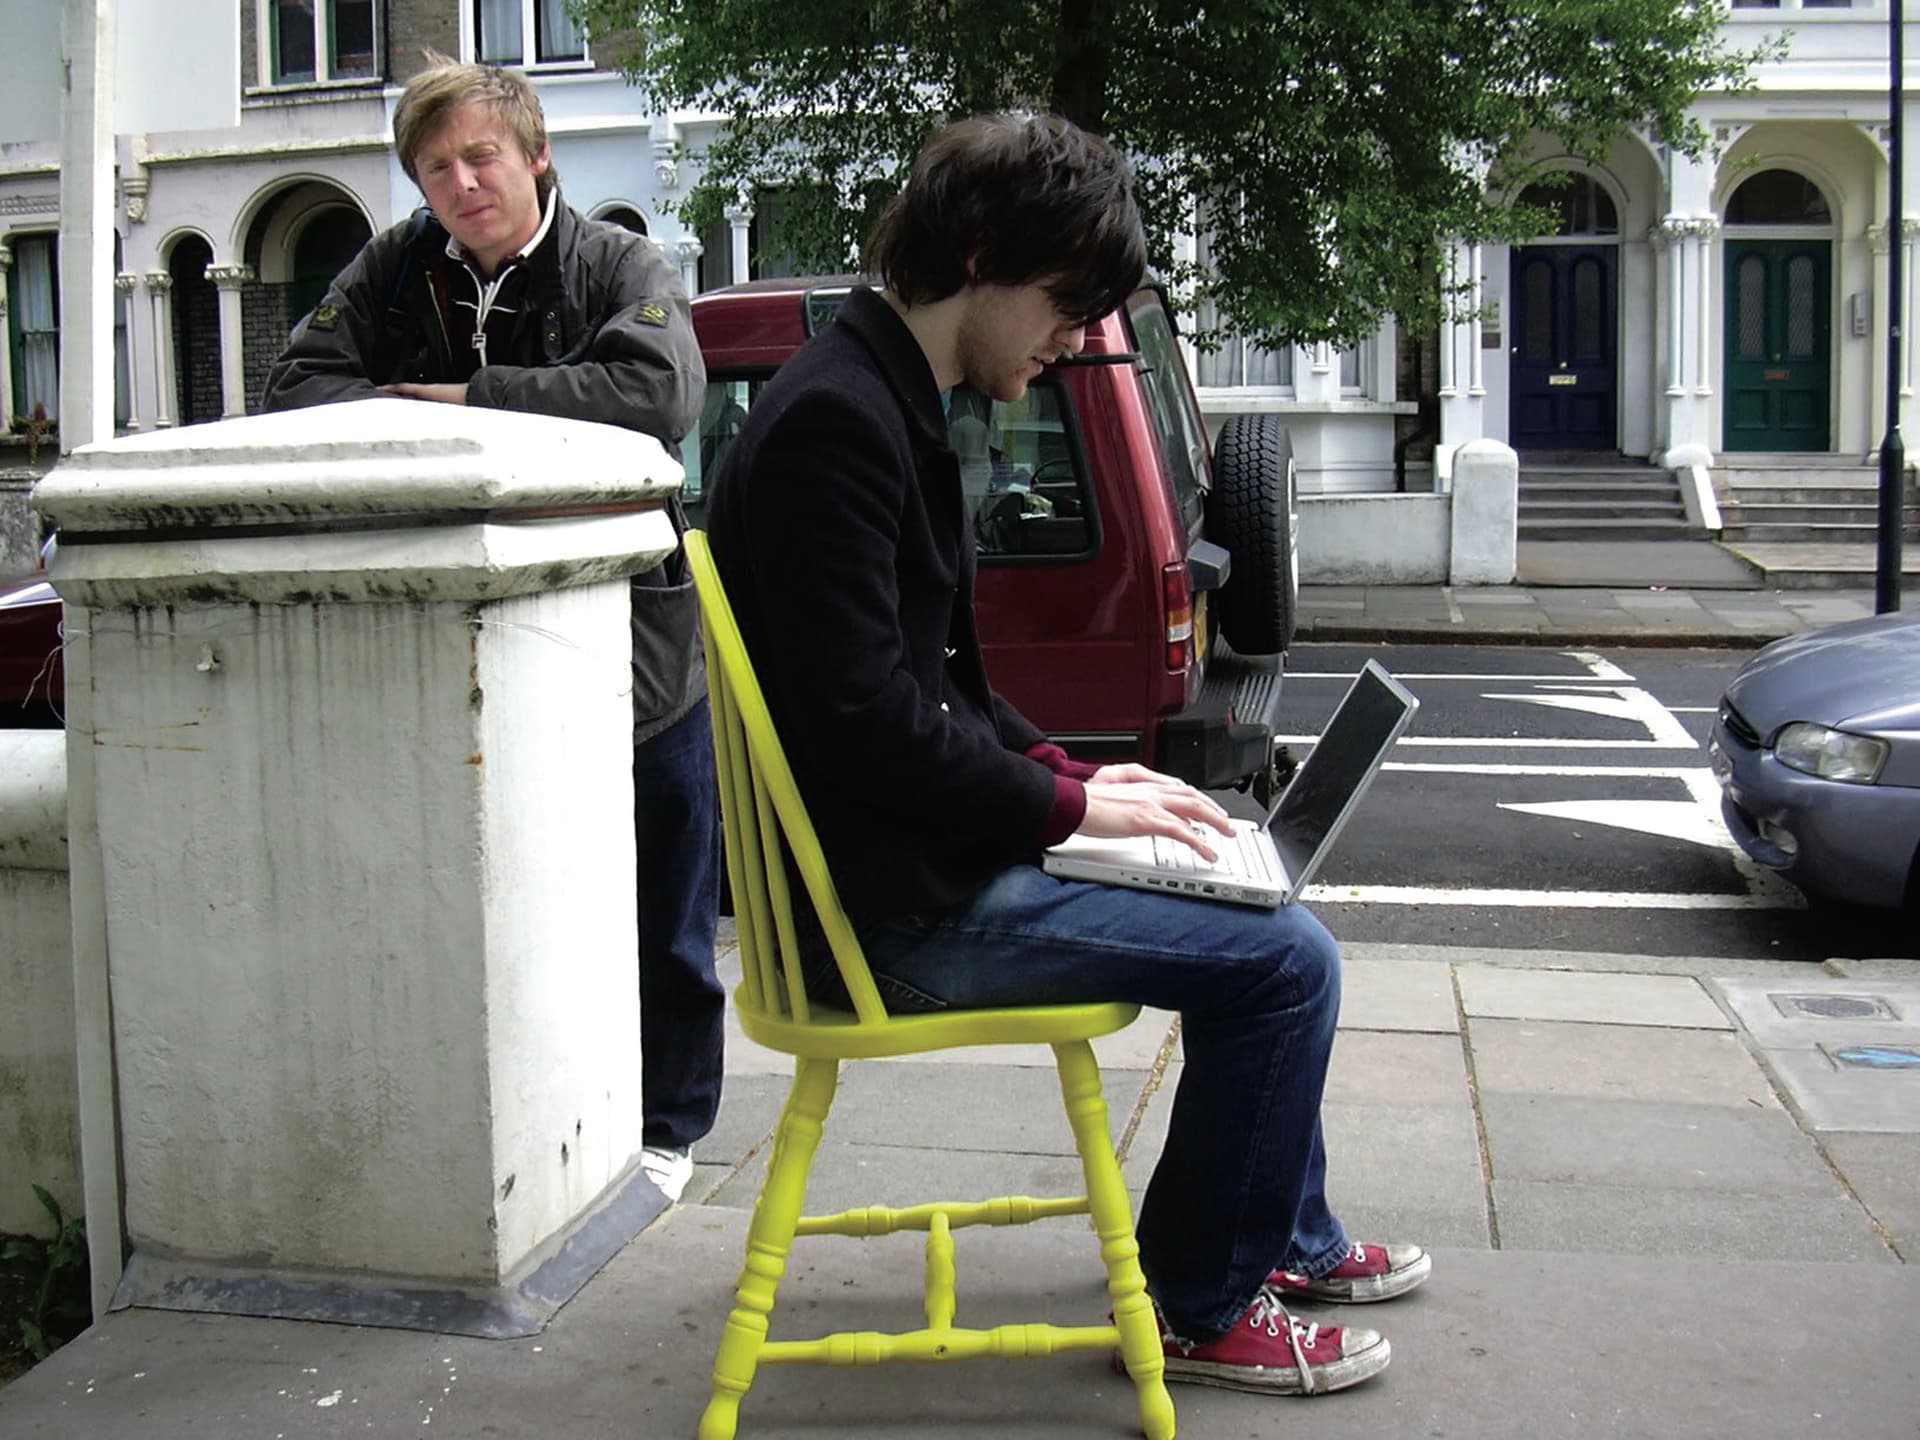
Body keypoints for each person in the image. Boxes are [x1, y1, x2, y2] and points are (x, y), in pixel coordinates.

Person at [704, 112, 1429, 1397]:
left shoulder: (877, 394)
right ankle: (1204, 1306)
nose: (1074, 337)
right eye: (1064, 303)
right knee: (1283, 965)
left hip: (912, 871)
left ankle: (1286, 1237)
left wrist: (1088, 779)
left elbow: (944, 690)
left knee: (1253, 896)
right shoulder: (840, 427)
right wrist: (1065, 814)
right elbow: (872, 728)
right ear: (981, 254)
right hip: (889, 922)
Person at [262, 58, 722, 1204]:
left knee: (660, 905)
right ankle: (535, 1117)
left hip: (635, 648)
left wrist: (464, 401)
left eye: (481, 157)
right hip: (459, 645)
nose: (461, 184)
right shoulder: (397, 266)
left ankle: (670, 1127)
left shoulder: (617, 261)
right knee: (503, 897)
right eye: (435, 167)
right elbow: (295, 386)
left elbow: (659, 391)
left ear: (535, 155)